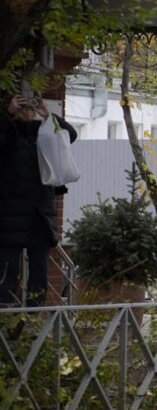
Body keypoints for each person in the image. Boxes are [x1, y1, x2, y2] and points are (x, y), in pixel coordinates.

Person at [0, 94, 78, 307]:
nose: (27, 112)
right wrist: (8, 113)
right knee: (7, 272)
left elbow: (69, 135)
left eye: (30, 108)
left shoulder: (43, 133)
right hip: (10, 216)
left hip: (39, 214)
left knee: (39, 274)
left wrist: (47, 114)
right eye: (22, 108)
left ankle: (33, 320)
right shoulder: (9, 133)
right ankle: (5, 321)